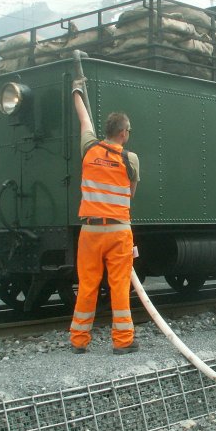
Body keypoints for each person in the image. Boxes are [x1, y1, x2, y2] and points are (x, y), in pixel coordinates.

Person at [69, 77, 140, 354]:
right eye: (128, 130)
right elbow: (130, 194)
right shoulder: (130, 159)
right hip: (119, 231)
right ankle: (122, 342)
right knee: (119, 286)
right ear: (123, 133)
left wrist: (76, 90)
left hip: (90, 231)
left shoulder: (89, 149)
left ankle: (78, 340)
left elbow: (84, 119)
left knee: (87, 285)